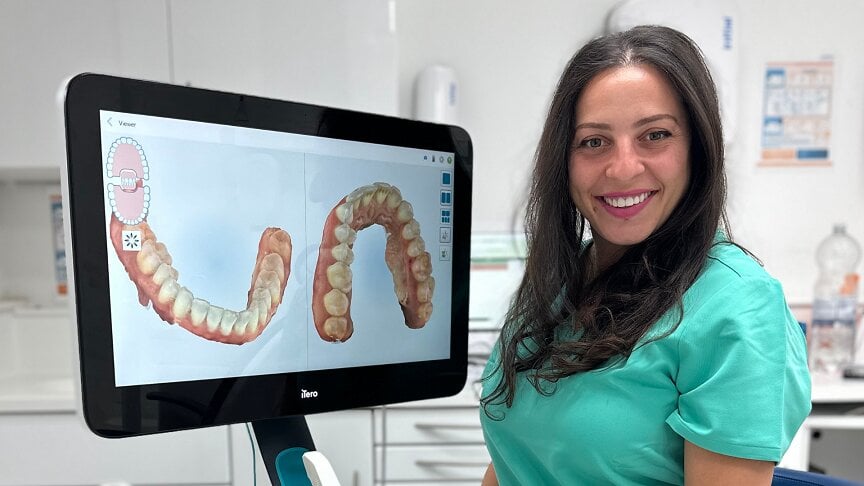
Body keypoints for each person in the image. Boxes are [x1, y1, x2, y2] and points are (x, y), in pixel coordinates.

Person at [479, 25, 811, 485]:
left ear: (697, 148)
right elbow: (514, 460)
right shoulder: (561, 280)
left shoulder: (737, 308)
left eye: (655, 135)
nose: (623, 168)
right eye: (594, 141)